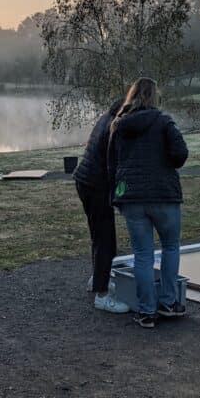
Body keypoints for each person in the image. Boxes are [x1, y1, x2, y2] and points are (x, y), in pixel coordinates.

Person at [108, 77, 189, 329]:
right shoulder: (164, 121)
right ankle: (168, 302)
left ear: (132, 96)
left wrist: (117, 192)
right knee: (170, 247)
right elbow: (180, 154)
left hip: (132, 198)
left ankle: (146, 312)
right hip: (164, 195)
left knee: (142, 255)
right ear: (154, 96)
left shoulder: (119, 125)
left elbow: (112, 162)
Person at [73, 98, 129, 313]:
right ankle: (102, 295)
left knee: (99, 236)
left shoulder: (106, 118)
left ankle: (98, 280)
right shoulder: (115, 126)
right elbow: (115, 165)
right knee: (106, 239)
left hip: (85, 182)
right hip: (95, 186)